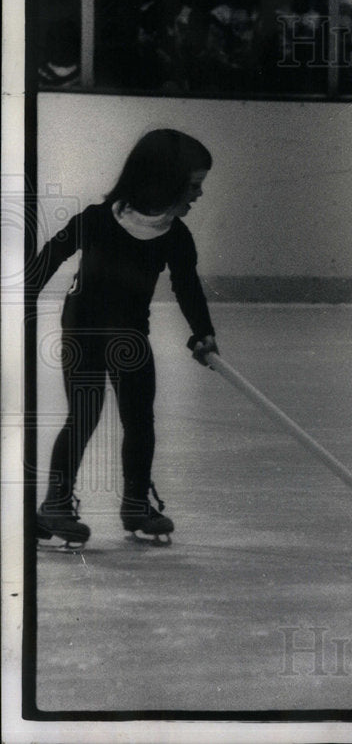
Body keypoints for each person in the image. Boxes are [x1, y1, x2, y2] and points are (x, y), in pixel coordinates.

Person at [27, 129, 220, 547]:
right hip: (84, 330)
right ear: (163, 180)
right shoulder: (99, 220)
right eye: (194, 185)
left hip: (131, 333)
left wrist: (204, 334)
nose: (199, 194)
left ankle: (135, 503)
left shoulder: (174, 235)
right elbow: (51, 254)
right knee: (85, 414)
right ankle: (54, 505)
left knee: (139, 418)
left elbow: (187, 286)